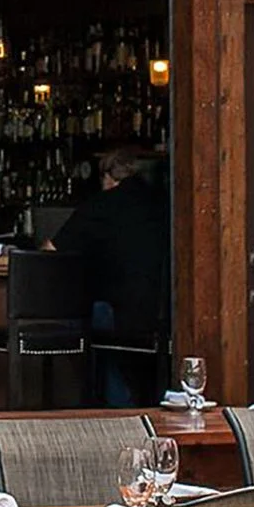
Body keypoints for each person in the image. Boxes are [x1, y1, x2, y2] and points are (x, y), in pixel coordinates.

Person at [52, 147, 170, 405]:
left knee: (82, 321)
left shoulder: (102, 204)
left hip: (119, 316)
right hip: (165, 318)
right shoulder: (165, 206)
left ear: (107, 177)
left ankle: (111, 405)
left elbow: (51, 253)